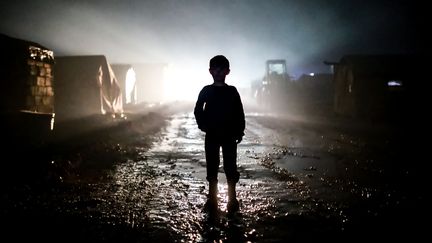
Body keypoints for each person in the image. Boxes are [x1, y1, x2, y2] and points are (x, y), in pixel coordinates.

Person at [194, 55, 245, 213]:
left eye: (221, 69)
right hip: (212, 135)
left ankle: (232, 200)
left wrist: (240, 130)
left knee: (230, 167)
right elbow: (197, 110)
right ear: (210, 71)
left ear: (227, 71)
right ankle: (212, 199)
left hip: (229, 135)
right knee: (212, 167)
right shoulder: (206, 90)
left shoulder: (232, 91)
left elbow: (239, 112)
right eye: (215, 69)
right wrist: (203, 125)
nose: (218, 71)